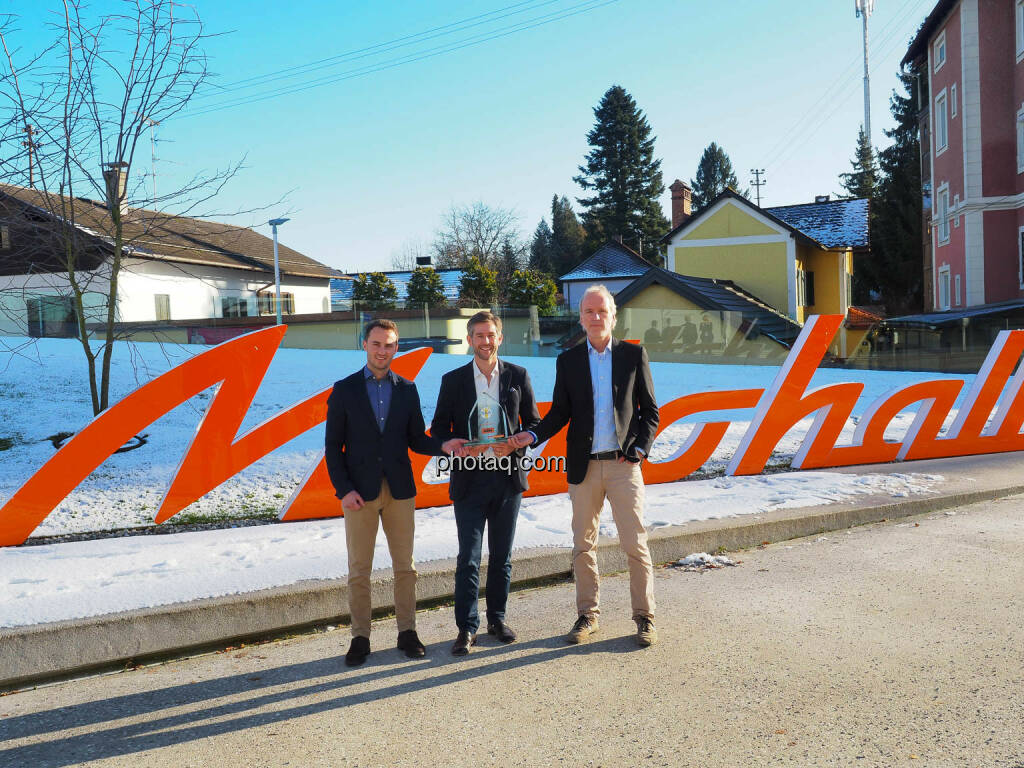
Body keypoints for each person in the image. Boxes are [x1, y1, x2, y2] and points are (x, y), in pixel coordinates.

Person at [509, 284, 660, 647]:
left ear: (613, 315)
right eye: (589, 312)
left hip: (624, 466)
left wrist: (639, 448)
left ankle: (645, 618)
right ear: (580, 318)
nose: (595, 318)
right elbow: (560, 412)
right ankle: (587, 615)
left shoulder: (633, 356)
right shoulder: (568, 360)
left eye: (602, 311)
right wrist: (532, 436)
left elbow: (649, 412)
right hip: (584, 468)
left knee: (635, 544)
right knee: (583, 545)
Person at [325, 319, 467, 667]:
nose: (382, 351)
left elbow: (417, 439)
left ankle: (408, 632)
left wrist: (444, 445)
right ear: (365, 345)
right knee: (360, 569)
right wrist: (344, 490)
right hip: (359, 493)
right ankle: (360, 637)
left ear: (396, 347)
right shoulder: (344, 390)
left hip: (400, 491)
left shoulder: (407, 389)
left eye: (389, 345)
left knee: (406, 568)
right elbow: (332, 448)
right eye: (376, 344)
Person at [432, 311, 541, 655]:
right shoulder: (453, 380)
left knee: (502, 557)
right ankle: (466, 628)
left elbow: (534, 423)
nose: (485, 341)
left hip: (508, 480)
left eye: (490, 335)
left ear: (500, 338)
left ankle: (496, 619)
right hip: (469, 481)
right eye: (478, 335)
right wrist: (452, 444)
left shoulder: (517, 376)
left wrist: (520, 439)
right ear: (469, 340)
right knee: (468, 557)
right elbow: (438, 429)